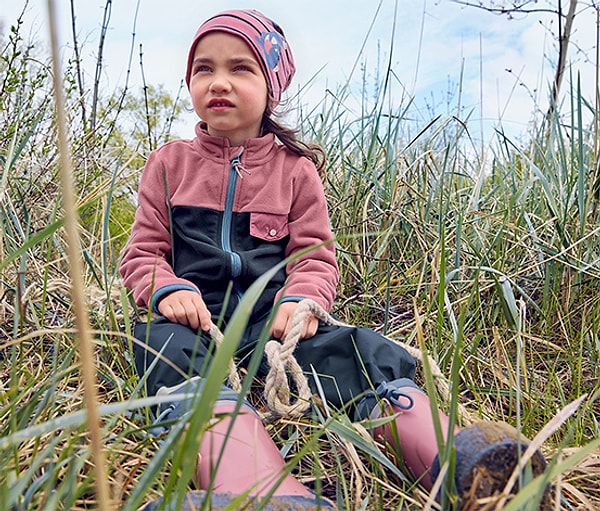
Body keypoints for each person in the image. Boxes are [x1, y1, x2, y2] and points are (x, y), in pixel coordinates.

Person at [120, 9, 548, 511]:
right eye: (203, 69)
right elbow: (143, 251)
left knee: (356, 349)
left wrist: (300, 301)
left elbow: (315, 258)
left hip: (271, 325)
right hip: (194, 321)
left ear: (270, 85)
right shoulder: (169, 164)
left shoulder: (295, 171)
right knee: (161, 347)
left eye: (241, 68)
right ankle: (258, 487)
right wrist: (168, 289)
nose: (219, 82)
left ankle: (456, 459)